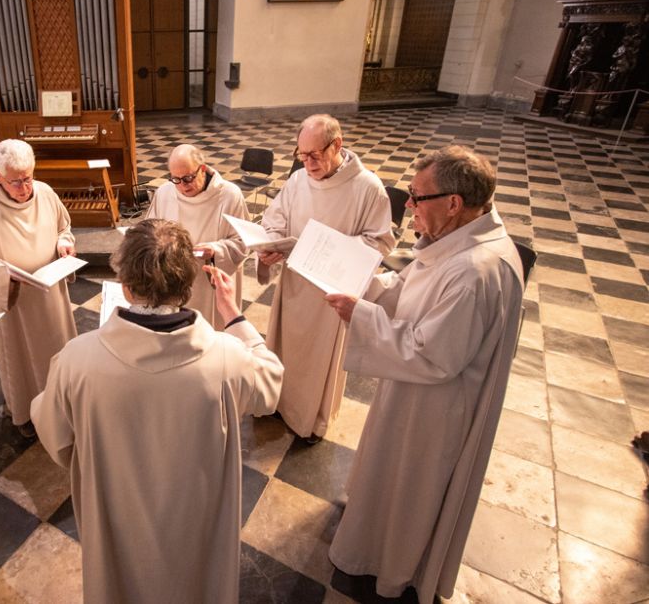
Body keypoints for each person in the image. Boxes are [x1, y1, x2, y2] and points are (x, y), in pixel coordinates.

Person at [30, 219, 283, 604]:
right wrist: (233, 315)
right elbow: (271, 385)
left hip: (117, 520)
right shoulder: (228, 357)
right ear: (188, 286)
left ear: (125, 285)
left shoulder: (77, 359)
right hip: (196, 522)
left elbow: (56, 436)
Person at [324, 145, 525, 603]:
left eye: (417, 196)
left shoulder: (476, 270)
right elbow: (411, 289)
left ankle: (391, 567)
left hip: (436, 408)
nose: (409, 205)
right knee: (389, 475)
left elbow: (433, 355)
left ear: (453, 203)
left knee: (411, 487)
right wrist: (366, 288)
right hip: (414, 393)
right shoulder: (457, 243)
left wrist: (362, 315)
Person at [259, 114, 393, 443]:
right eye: (301, 155)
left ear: (337, 145)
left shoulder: (368, 188)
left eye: (314, 155)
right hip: (294, 282)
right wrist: (271, 243)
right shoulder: (297, 180)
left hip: (331, 293)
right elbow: (275, 218)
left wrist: (331, 249)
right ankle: (280, 402)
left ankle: (310, 420)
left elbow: (380, 242)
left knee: (318, 359)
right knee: (286, 347)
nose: (307, 163)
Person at [0, 139, 78, 438]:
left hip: (50, 296)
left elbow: (63, 228)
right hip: (13, 302)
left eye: (28, 178)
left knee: (57, 350)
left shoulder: (46, 193)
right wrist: (7, 277)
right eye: (15, 181)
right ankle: (26, 411)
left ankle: (64, 403)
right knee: (22, 360)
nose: (24, 187)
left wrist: (64, 244)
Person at [145, 143, 249, 328]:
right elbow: (148, 233)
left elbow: (243, 243)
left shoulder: (229, 195)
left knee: (210, 333)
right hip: (172, 282)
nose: (183, 186)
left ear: (202, 169)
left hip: (208, 283)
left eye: (188, 178)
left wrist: (216, 250)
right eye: (176, 179)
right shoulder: (165, 193)